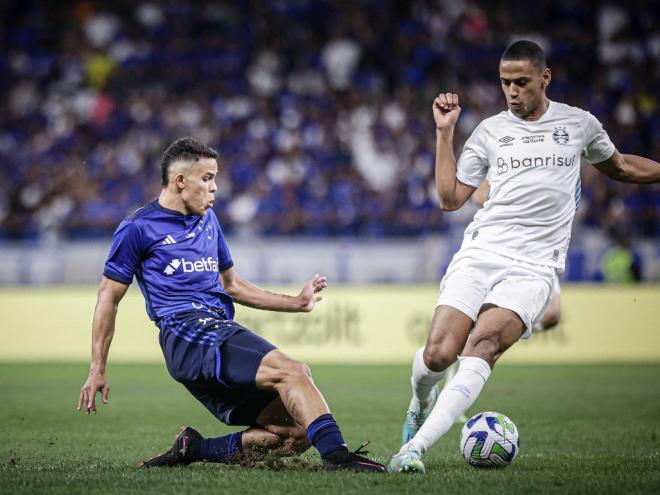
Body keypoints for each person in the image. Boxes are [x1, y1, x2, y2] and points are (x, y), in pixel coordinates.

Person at [390, 40, 660, 473]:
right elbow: (449, 198)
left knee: (483, 344)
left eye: (521, 82)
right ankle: (420, 402)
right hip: (481, 251)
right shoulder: (489, 131)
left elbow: (623, 166)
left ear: (544, 78)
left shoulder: (578, 124)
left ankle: (413, 450)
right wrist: (444, 133)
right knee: (438, 354)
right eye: (505, 83)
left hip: (535, 266)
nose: (512, 92)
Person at [76, 137, 385, 473]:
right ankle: (338, 458)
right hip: (185, 332)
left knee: (296, 431)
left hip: (216, 330)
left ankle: (194, 448)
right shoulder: (138, 227)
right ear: (180, 181)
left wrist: (296, 303)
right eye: (207, 178)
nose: (215, 188)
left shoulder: (208, 220)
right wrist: (97, 368)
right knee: (294, 371)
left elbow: (232, 285)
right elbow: (108, 297)